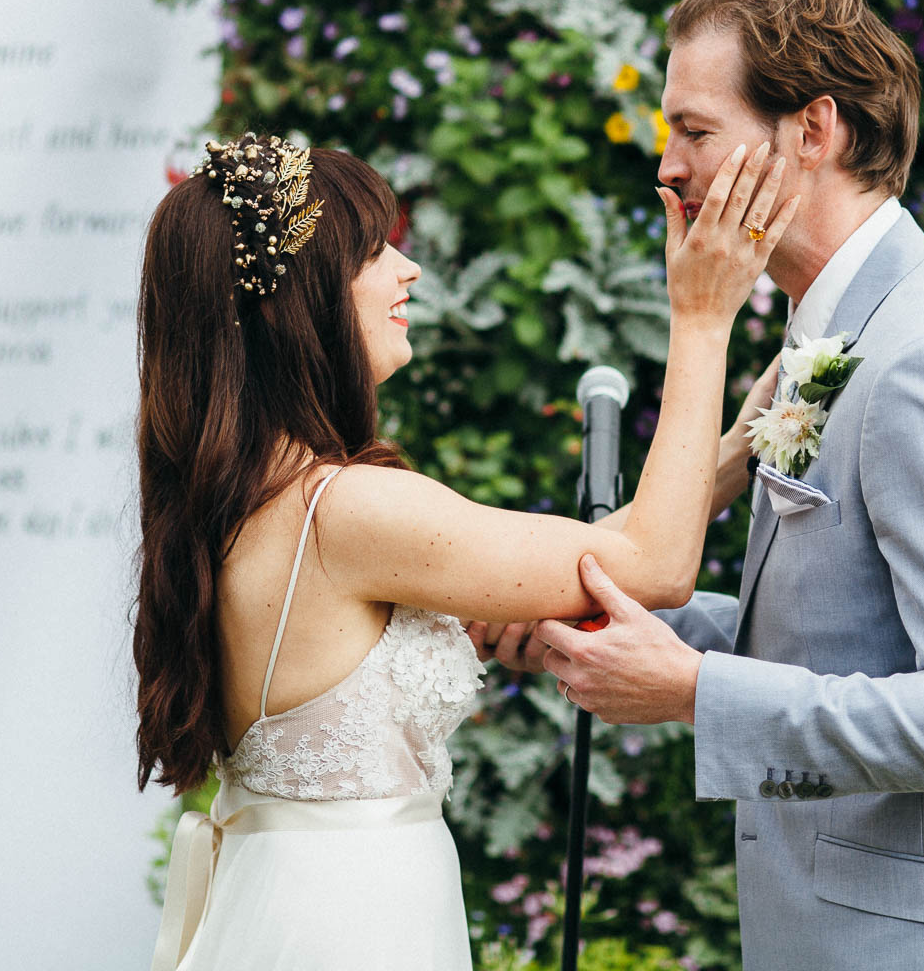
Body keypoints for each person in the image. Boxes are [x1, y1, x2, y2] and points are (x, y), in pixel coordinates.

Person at [472, 0, 924, 970]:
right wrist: (619, 626)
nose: (666, 165)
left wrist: (694, 690)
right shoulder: (834, 335)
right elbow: (847, 633)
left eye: (695, 130)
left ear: (813, 132)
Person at [132, 130, 798, 971]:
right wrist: (702, 319)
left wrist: (737, 453)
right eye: (374, 252)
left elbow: (603, 555)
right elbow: (652, 566)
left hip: (297, 902)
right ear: (288, 304)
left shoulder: (246, 500)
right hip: (351, 925)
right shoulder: (347, 509)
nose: (408, 271)